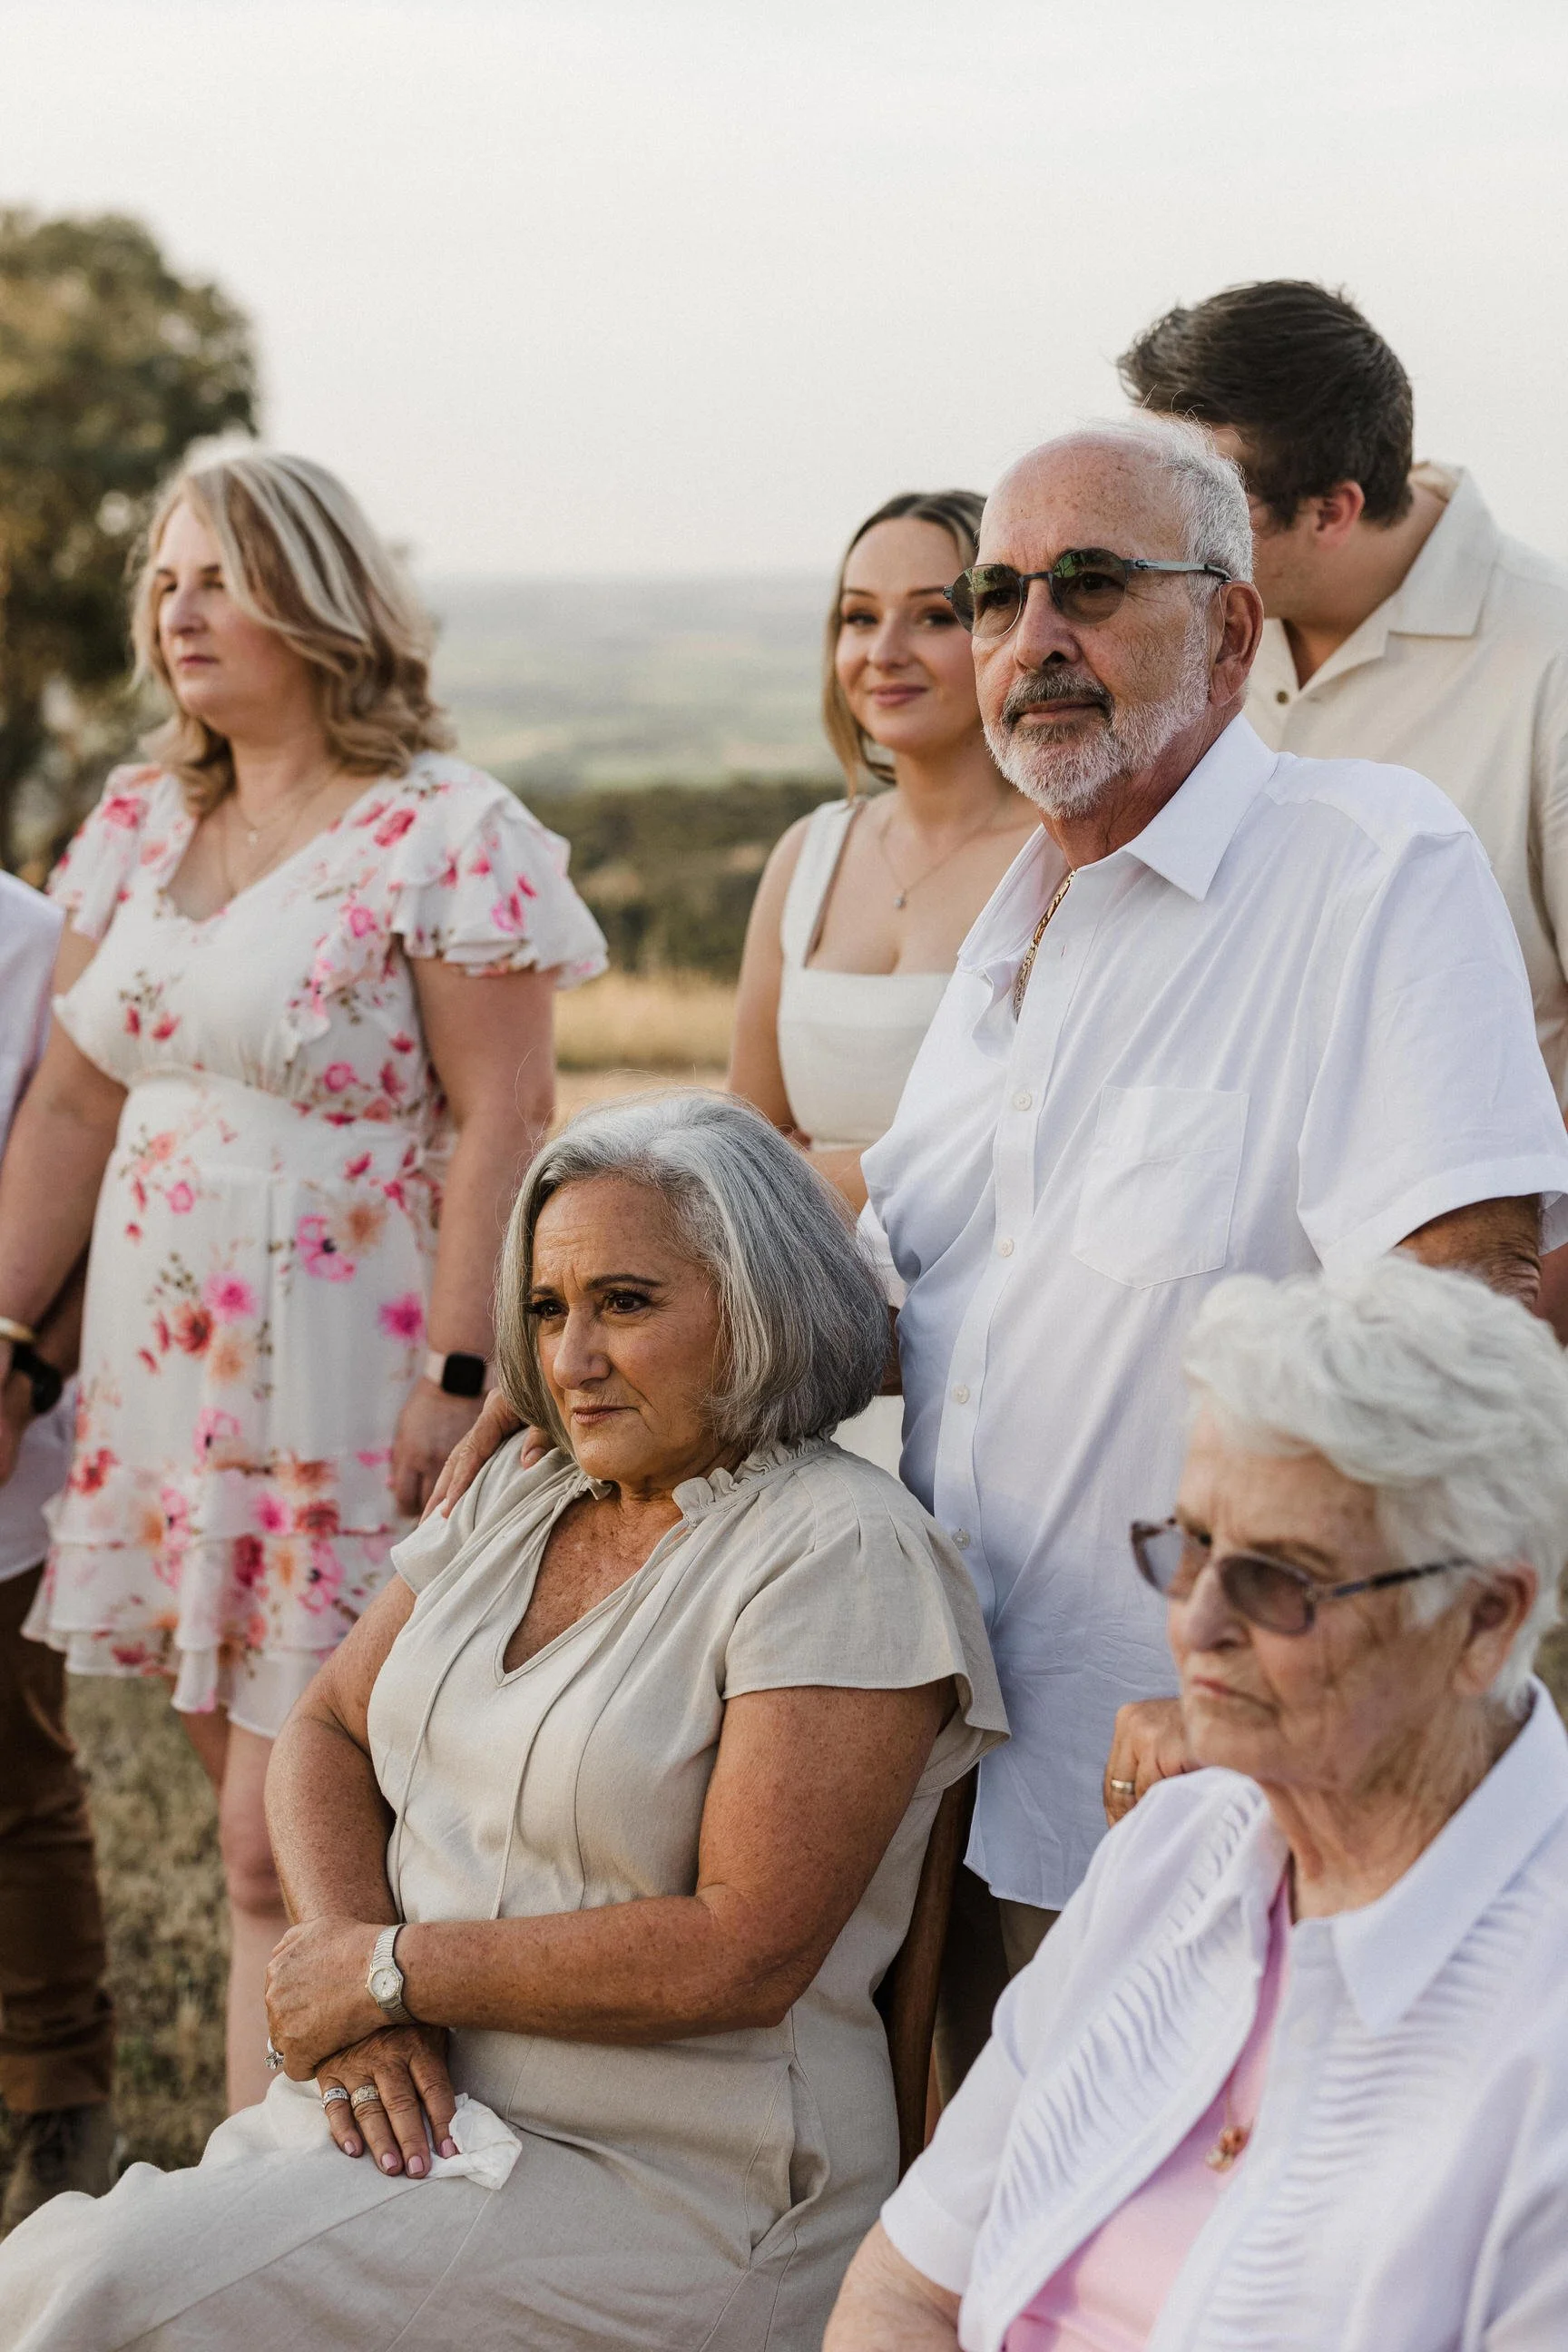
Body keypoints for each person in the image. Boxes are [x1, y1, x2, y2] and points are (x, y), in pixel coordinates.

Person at [0, 1093, 1006, 2351]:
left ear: (761, 1305)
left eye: (625, 1304)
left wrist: (385, 1972)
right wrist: (355, 1971)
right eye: (547, 1308)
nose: (571, 1357)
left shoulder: (841, 1554)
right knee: (47, 2274)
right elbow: (324, 1730)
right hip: (413, 2111)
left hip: (677, 2181)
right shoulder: (529, 1489)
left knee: (99, 2288)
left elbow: (742, 1953)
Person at [855, 414, 1568, 2089]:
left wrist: (1259, 1682)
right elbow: (917, 1274)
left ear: (1232, 630)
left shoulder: (1365, 865)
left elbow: (1449, 1324)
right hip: (937, 1753)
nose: (1033, 637)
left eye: (1089, 585)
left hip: (1198, 1791)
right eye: (1001, 593)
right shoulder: (1010, 930)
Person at [0, 451, 606, 2110]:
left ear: (321, 600)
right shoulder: (135, 823)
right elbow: (69, 1098)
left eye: (222, 576)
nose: (180, 610)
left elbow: (507, 1114)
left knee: (302, 1830)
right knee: (249, 1835)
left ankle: (323, 2196)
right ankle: (258, 2189)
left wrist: (467, 1373)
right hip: (160, 1381)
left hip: (349, 1369)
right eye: (166, 580)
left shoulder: (440, 832)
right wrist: (2, 1330)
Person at [826, 1254, 1568, 2351]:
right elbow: (907, 2288)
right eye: (1191, 1548)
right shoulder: (1172, 1848)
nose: (1196, 1624)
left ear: (1483, 1622)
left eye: (1282, 1581)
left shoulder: (1536, 2030)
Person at [1119, 282, 1568, 1089]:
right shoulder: (1170, 612)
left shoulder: (1549, 663)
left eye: (1203, 503)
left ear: (1332, 510)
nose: (1148, 530)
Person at [728, 492, 1038, 1472]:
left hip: (994, 1349)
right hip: (809, 1338)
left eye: (935, 615)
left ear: (1005, 626)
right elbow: (748, 1127)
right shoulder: (807, 853)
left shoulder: (1058, 860)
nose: (884, 650)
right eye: (859, 617)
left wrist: (780, 1191)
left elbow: (1032, 1139)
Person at [0, 878, 115, 2232]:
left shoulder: (36, 939)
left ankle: (59, 2104)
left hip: (4, 1408)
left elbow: (97, 1163)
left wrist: (28, 1369)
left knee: (14, 1778)